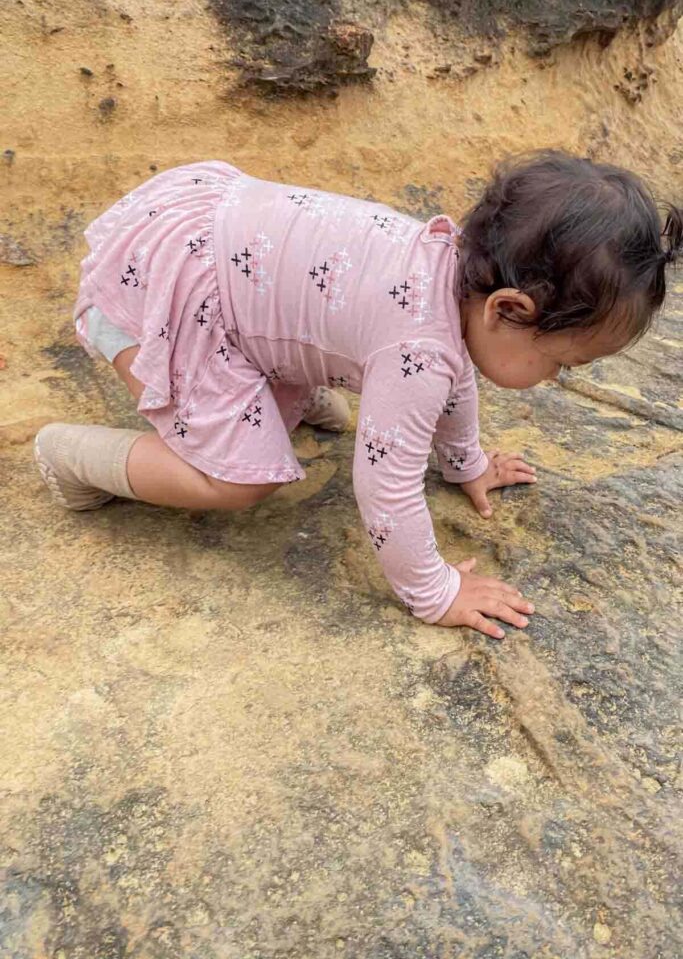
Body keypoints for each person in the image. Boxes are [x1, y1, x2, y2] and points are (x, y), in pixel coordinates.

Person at [34, 151, 680, 638]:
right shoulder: (417, 352)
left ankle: (280, 387)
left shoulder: (448, 273)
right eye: (559, 363)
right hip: (159, 294)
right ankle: (70, 457)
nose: (554, 379)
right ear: (507, 309)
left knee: (331, 387)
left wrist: (466, 463)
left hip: (207, 241)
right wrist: (435, 590)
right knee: (239, 478)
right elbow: (385, 486)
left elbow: (456, 377)